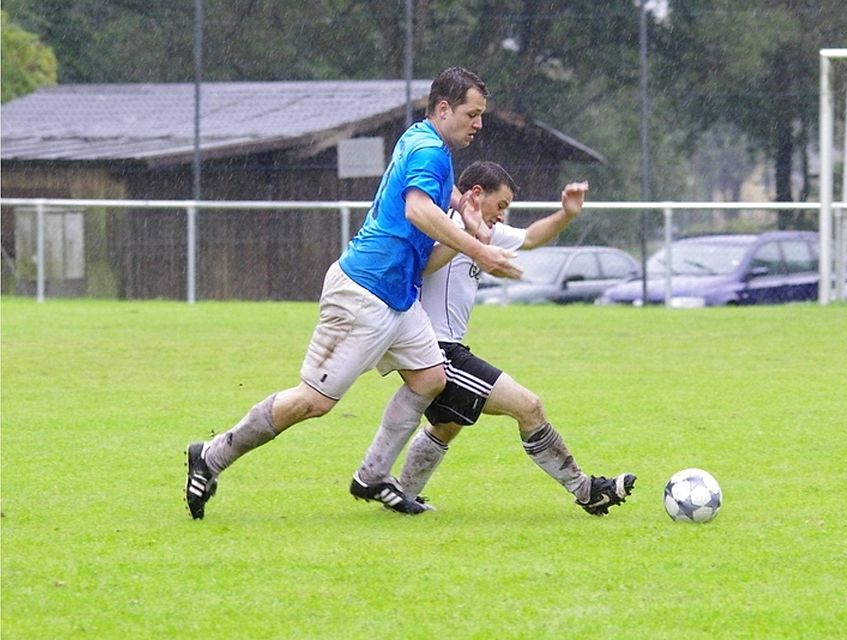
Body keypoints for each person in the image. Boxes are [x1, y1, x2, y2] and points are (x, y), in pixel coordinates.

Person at [184, 67, 521, 519]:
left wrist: (464, 217)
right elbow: (418, 210)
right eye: (472, 113)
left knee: (430, 378)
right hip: (363, 291)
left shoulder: (424, 141)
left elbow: (428, 226)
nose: (478, 124)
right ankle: (211, 456)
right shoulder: (429, 152)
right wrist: (479, 246)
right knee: (313, 402)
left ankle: (372, 476)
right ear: (444, 109)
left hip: (398, 298)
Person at [397, 161, 636, 515]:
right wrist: (467, 237)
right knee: (529, 406)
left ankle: (401, 495)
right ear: (477, 195)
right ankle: (587, 491)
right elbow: (421, 264)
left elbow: (532, 238)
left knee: (447, 424)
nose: (501, 216)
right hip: (436, 349)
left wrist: (566, 214)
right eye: (501, 206)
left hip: (445, 347)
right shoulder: (448, 226)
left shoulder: (483, 230)